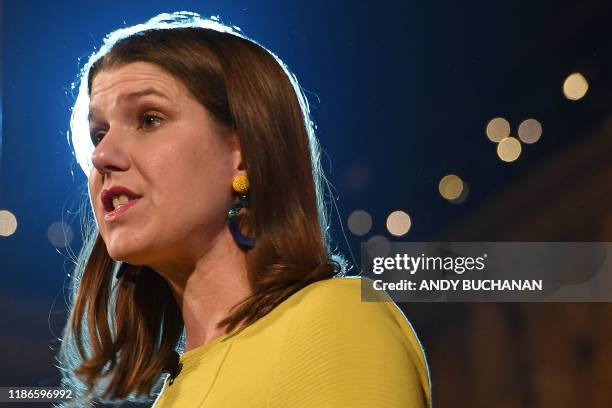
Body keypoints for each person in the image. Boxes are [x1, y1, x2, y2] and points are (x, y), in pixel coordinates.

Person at [56, 11, 432, 408]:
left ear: (244, 155)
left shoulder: (334, 323)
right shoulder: (172, 394)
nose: (101, 155)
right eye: (99, 133)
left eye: (149, 119)